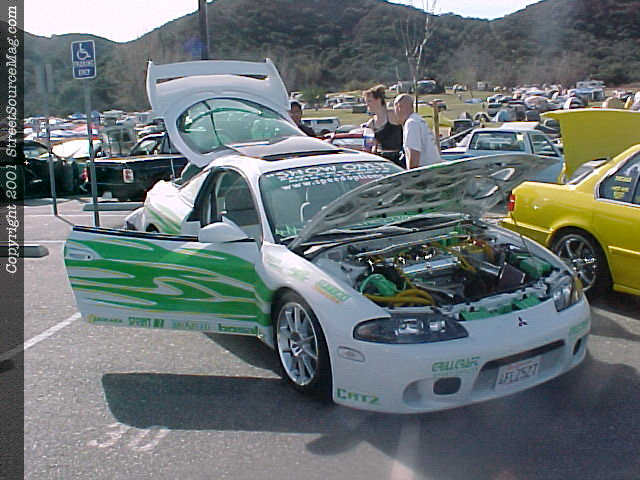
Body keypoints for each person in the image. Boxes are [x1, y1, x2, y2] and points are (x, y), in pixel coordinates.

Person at [393, 94, 440, 169]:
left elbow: (414, 157)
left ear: (399, 107)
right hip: (433, 169)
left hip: (425, 172)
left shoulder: (411, 124)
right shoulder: (419, 120)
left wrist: (411, 174)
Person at [362, 84, 403, 166]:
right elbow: (369, 146)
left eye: (369, 101)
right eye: (366, 102)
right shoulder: (371, 123)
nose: (367, 105)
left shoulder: (393, 115)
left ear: (379, 100)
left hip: (399, 158)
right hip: (383, 160)